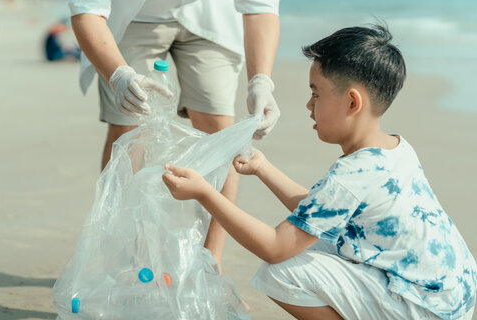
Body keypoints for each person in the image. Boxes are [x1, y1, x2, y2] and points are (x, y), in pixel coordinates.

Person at [162, 24, 477, 320]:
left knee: (282, 273)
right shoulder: (395, 148)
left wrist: (205, 193)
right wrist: (263, 168)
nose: (308, 105)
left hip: (425, 308)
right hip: (453, 294)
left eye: (316, 93)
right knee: (316, 235)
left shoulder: (351, 175)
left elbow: (274, 247)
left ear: (352, 102)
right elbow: (320, 209)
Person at [69, 0, 281, 272]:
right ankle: (126, 264)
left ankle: (210, 266)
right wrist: (119, 75)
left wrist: (261, 79)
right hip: (132, 14)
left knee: (220, 132)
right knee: (129, 126)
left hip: (211, 15)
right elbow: (87, 4)